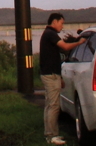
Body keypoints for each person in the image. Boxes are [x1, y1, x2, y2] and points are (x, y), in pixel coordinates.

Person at [40, 13, 86, 145]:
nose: (62, 26)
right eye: (61, 23)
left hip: (51, 74)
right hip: (50, 75)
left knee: (50, 105)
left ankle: (50, 134)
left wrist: (59, 77)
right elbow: (65, 46)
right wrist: (79, 42)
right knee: (54, 106)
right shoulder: (50, 34)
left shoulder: (48, 34)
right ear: (54, 21)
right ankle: (51, 135)